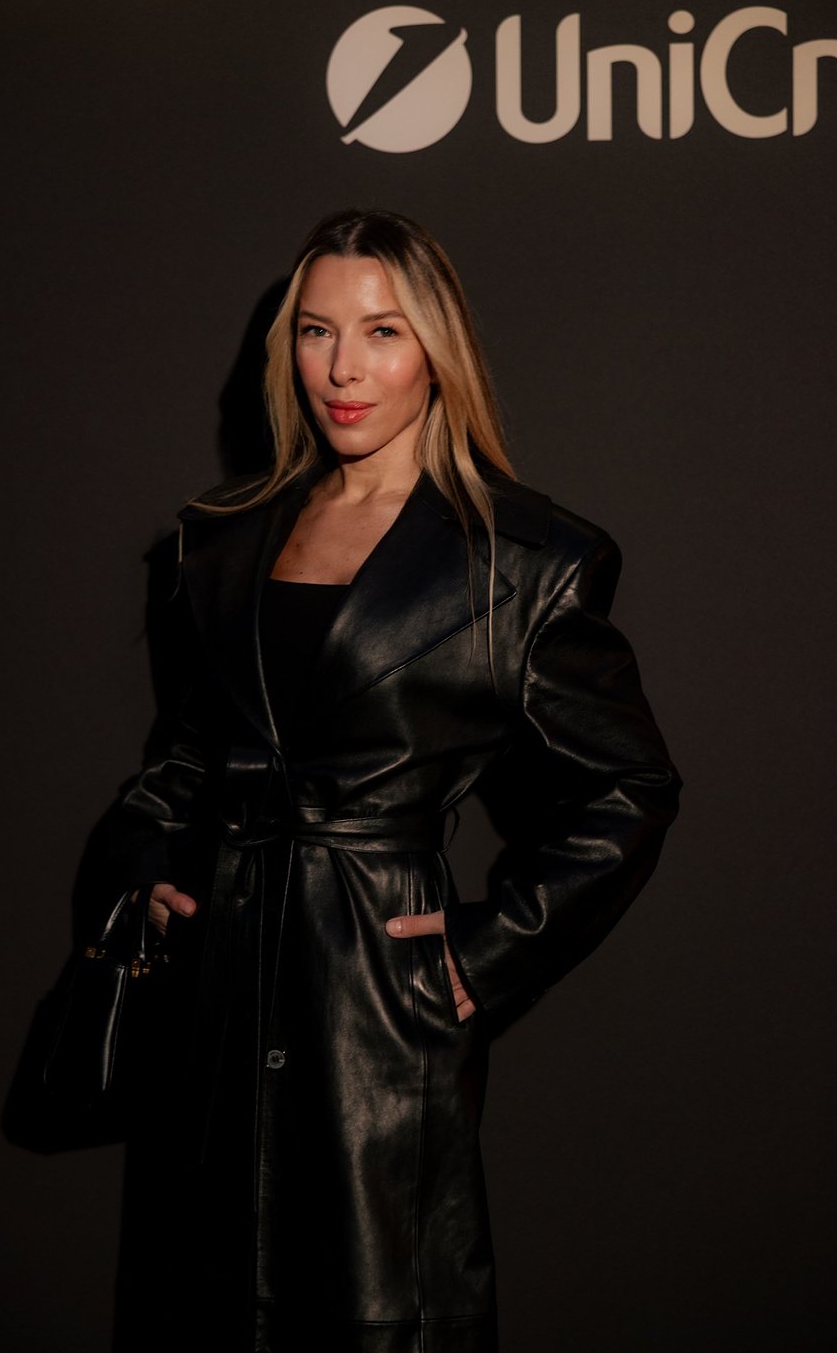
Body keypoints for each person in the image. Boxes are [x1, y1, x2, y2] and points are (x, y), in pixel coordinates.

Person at [97, 209, 681, 1352]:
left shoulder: (525, 560)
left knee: (379, 1314)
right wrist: (143, 865)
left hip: (375, 1003)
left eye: (382, 331)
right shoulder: (218, 541)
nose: (343, 368)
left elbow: (629, 786)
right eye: (316, 331)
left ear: (436, 351)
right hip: (216, 997)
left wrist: (486, 950)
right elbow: (180, 762)